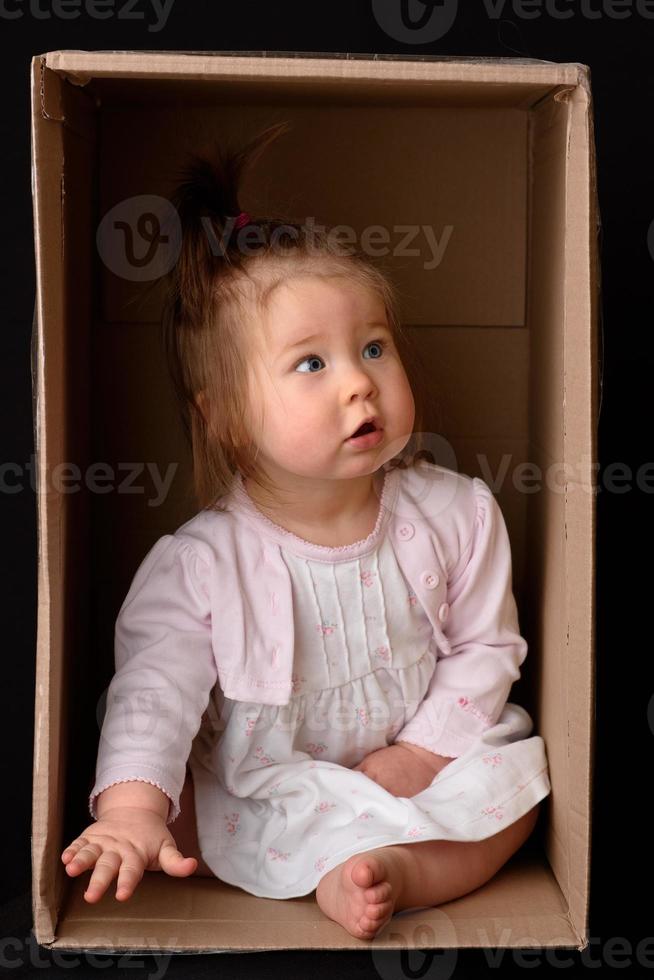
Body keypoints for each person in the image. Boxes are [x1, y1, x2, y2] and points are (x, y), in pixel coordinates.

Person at [61, 121, 551, 941]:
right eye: (312, 364)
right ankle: (340, 866)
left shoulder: (454, 513)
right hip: (271, 782)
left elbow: (486, 649)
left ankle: (400, 870)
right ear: (225, 419)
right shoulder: (202, 565)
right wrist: (130, 811)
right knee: (187, 817)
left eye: (373, 347)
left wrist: (424, 756)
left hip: (413, 761)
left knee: (517, 791)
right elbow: (154, 695)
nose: (360, 382)